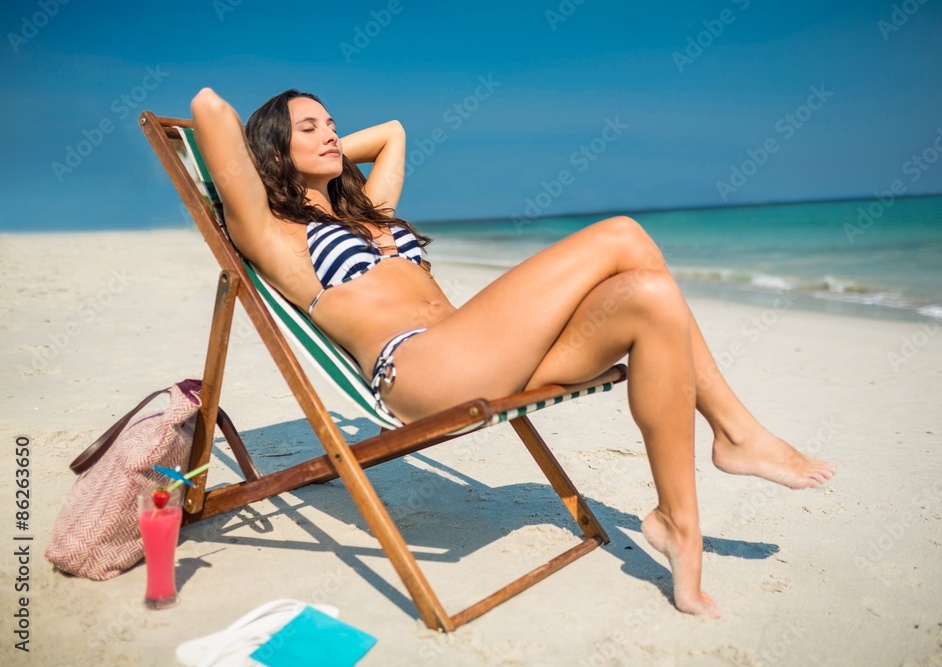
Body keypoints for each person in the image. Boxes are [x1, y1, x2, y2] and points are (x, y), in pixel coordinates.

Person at [190, 87, 837, 618]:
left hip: (481, 352)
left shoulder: (372, 215)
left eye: (333, 124)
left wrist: (321, 156)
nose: (333, 134)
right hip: (421, 368)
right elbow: (210, 109)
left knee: (652, 295)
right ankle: (736, 430)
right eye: (312, 127)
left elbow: (392, 132)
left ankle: (678, 526)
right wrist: (291, 161)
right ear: (274, 152)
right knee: (623, 233)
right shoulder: (277, 236)